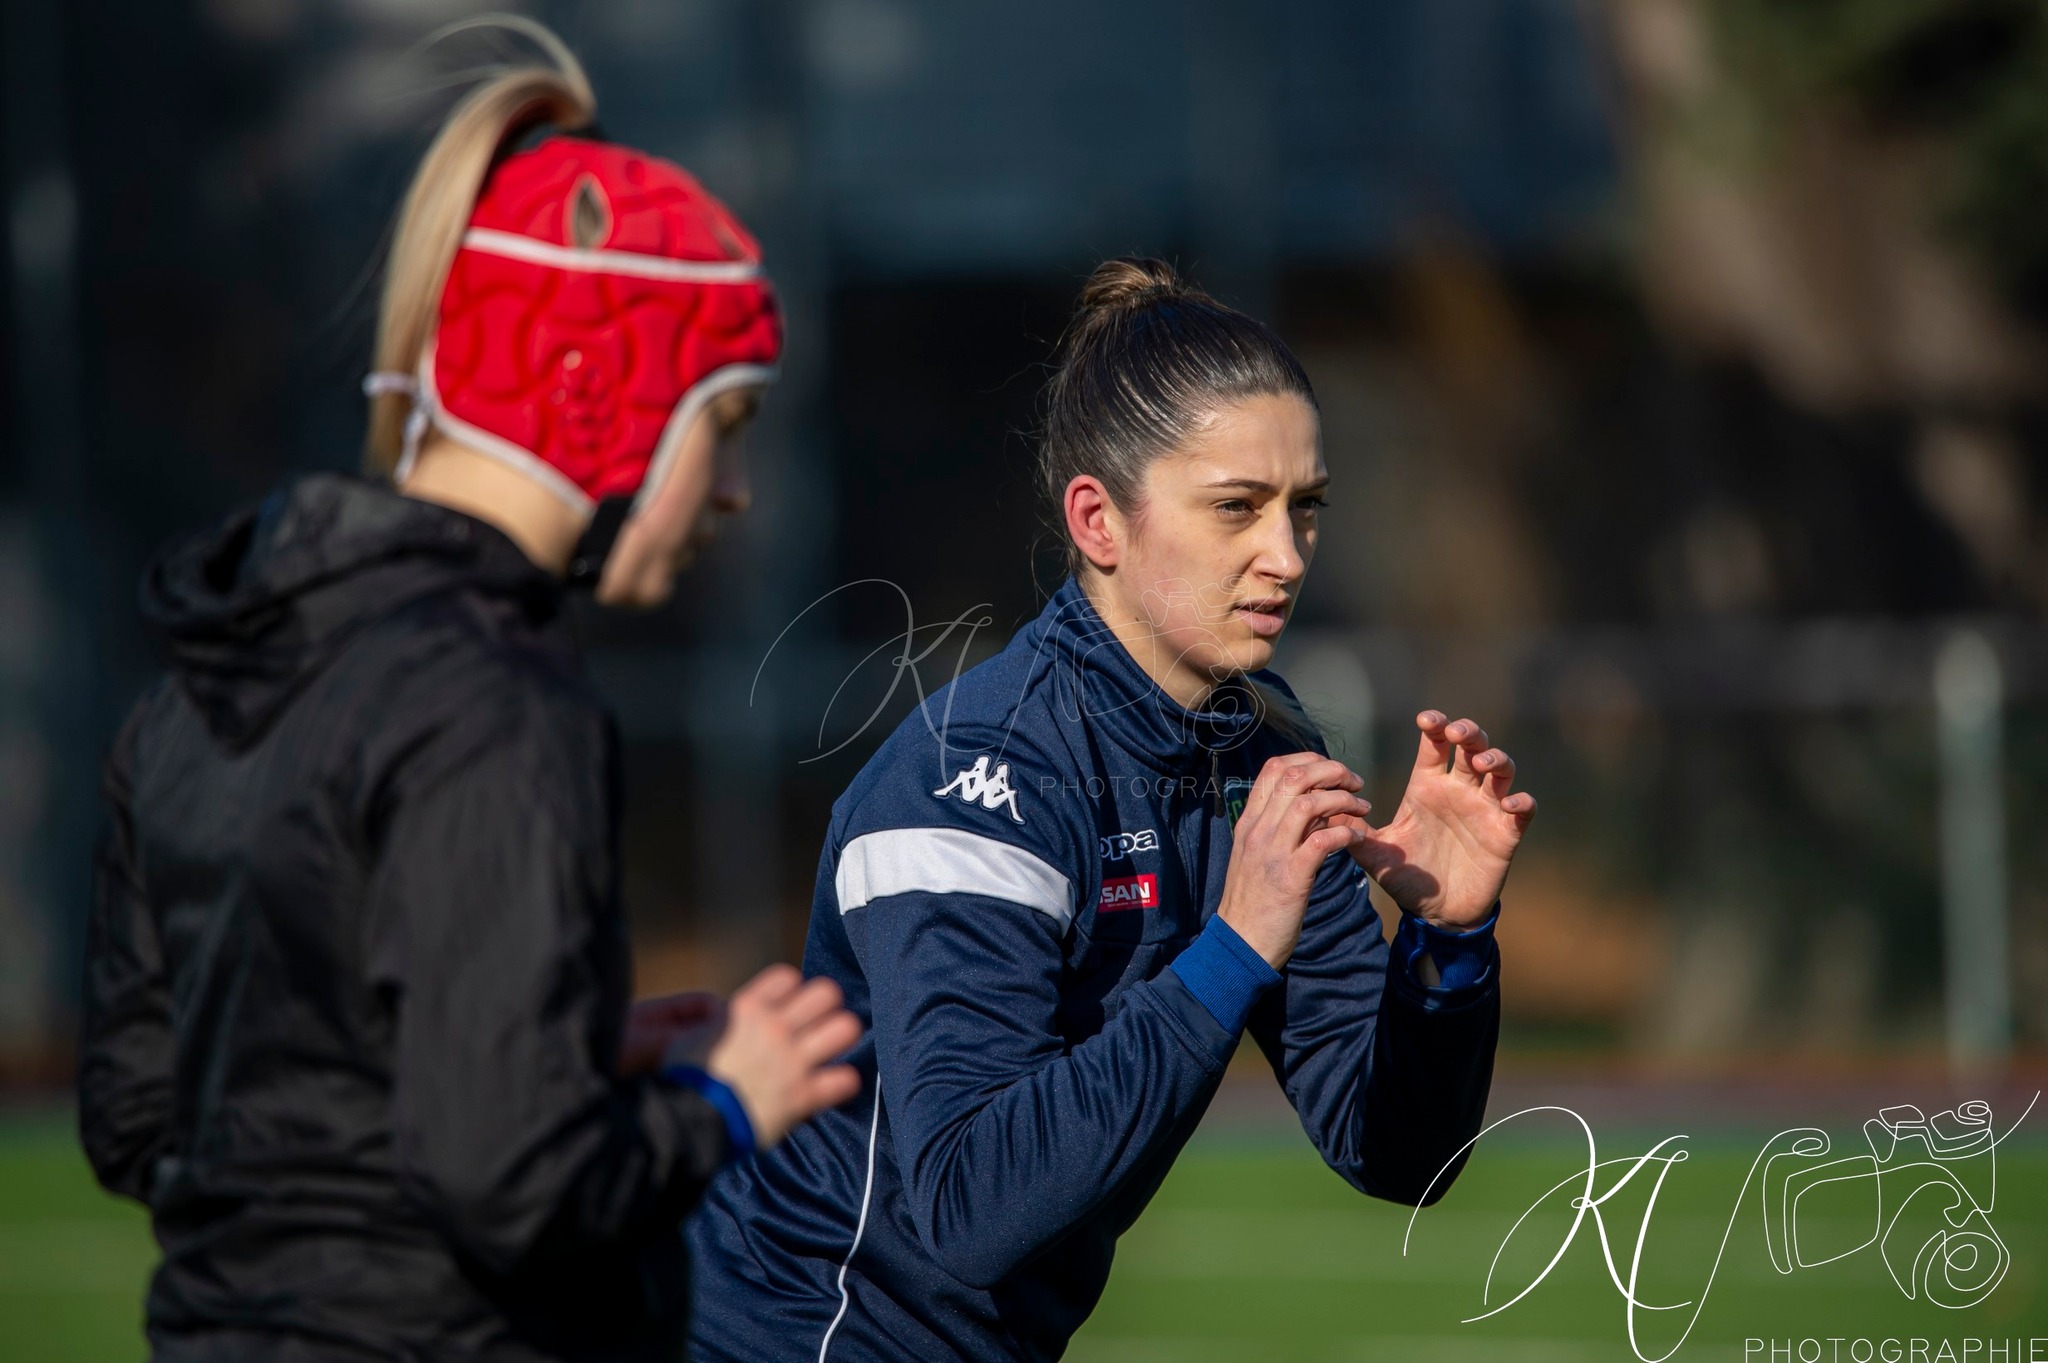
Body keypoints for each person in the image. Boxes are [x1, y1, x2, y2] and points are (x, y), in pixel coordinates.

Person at [76, 21, 861, 1362]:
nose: (730, 490)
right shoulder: (497, 700)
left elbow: (146, 1114)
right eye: (720, 425)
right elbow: (515, 1181)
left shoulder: (214, 666)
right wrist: (720, 1104)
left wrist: (544, 1043)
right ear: (597, 390)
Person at [687, 257, 1536, 1361]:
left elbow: (1397, 1154)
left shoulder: (1264, 757)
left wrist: (1445, 941)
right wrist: (1231, 945)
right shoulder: (975, 781)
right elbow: (969, 1206)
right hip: (797, 1336)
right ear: (1097, 519)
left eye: (1304, 508)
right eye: (1235, 507)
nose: (1283, 556)